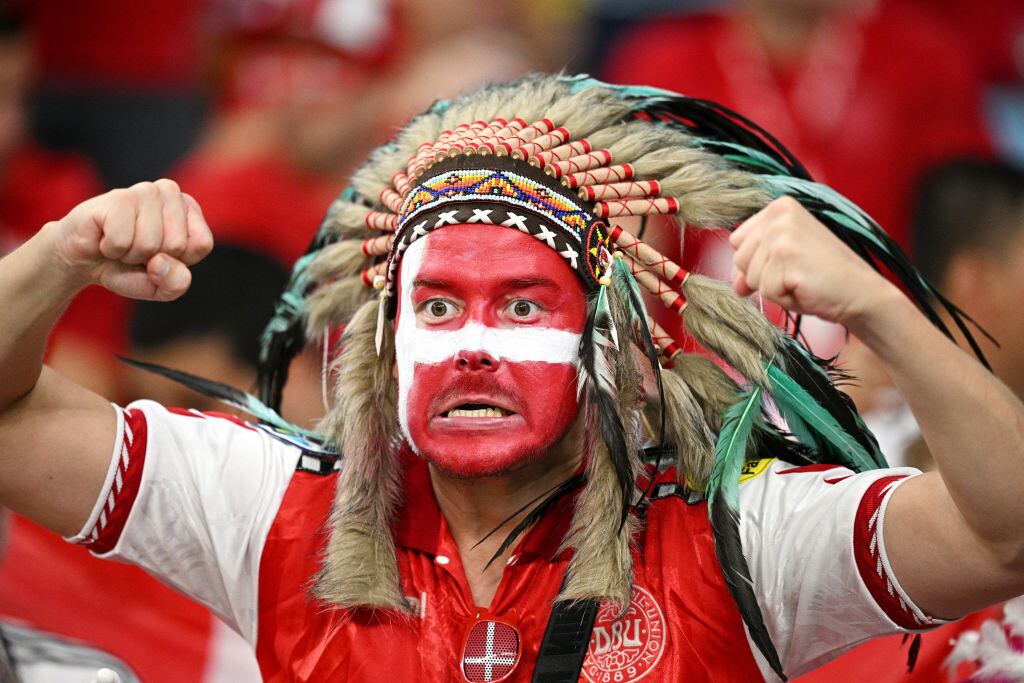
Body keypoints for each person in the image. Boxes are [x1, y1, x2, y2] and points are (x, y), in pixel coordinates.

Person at [1, 75, 1023, 682]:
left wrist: (884, 311)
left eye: (525, 307)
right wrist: (58, 255)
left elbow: (1003, 534)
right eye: (439, 307)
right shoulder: (274, 510)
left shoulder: (739, 539)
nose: (474, 346)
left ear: (617, 346)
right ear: (382, 344)